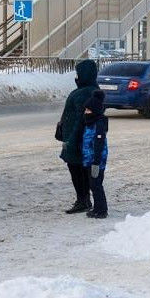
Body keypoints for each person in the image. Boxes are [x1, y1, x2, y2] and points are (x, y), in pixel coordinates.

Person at [58, 59, 99, 214]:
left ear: (85, 75)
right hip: (77, 139)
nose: (76, 77)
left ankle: (83, 200)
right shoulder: (87, 90)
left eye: (78, 74)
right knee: (79, 169)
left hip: (77, 140)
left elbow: (80, 121)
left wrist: (71, 141)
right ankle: (84, 199)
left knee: (77, 170)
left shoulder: (86, 93)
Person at [82, 90, 109, 219]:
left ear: (94, 111)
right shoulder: (90, 124)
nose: (85, 113)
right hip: (90, 160)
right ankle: (98, 207)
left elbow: (99, 146)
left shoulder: (98, 125)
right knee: (93, 185)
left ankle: (101, 210)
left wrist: (96, 163)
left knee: (96, 185)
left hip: (96, 162)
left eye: (87, 110)